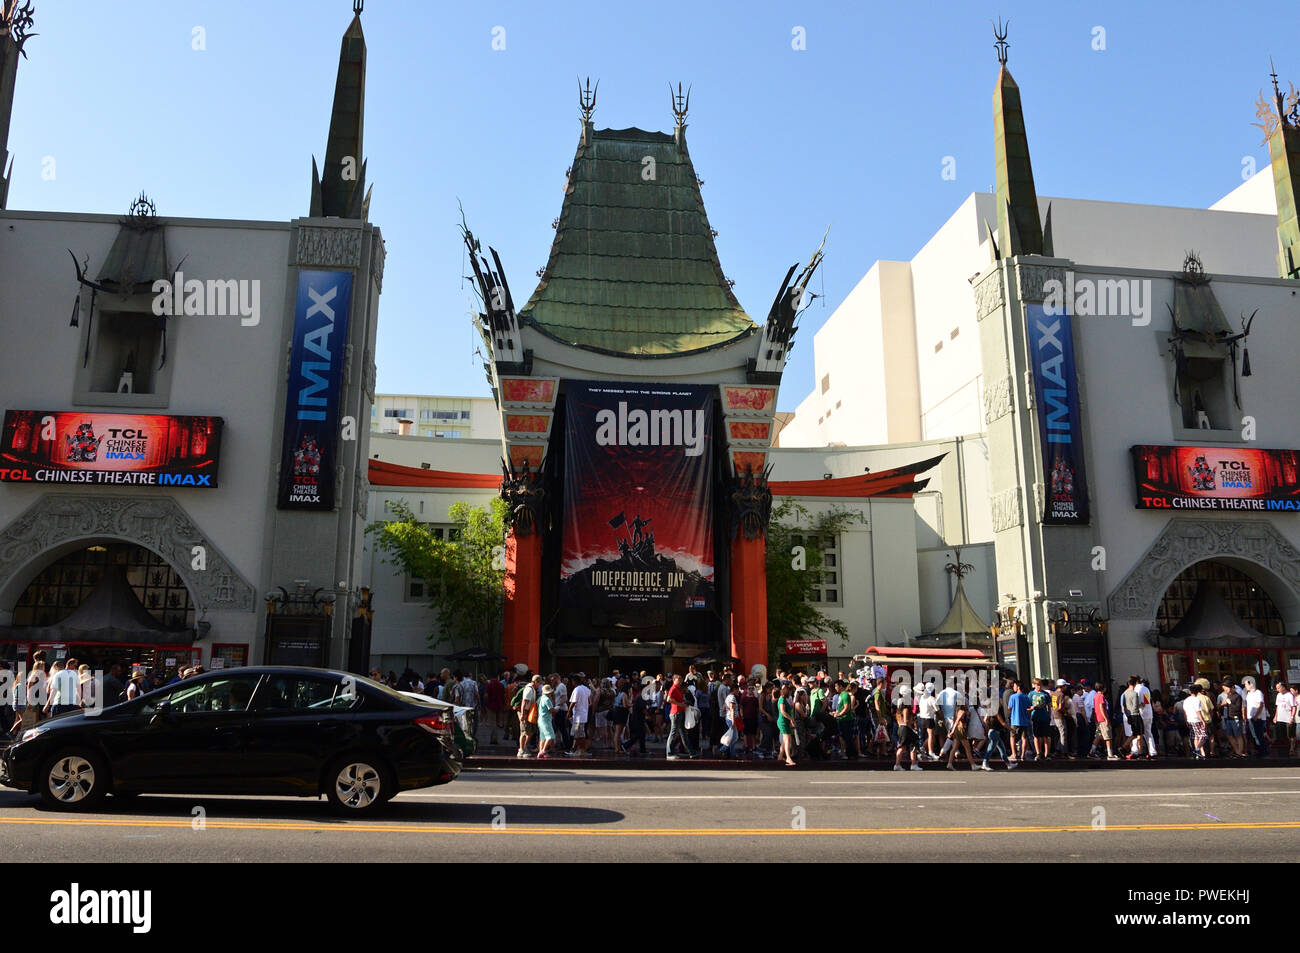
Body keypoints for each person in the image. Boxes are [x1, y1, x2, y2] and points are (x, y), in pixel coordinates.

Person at [664, 674, 696, 760]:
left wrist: (683, 702)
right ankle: (669, 753)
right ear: (674, 680)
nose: (680, 681)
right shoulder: (673, 688)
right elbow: (668, 699)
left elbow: (676, 699)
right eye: (678, 679)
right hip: (676, 713)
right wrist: (680, 704)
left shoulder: (677, 689)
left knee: (683, 734)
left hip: (679, 712)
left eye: (681, 679)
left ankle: (691, 752)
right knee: (673, 733)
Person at [1091, 682, 1119, 760]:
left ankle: (1092, 752)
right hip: (1102, 719)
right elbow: (1101, 707)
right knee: (1108, 737)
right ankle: (1110, 754)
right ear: (1103, 688)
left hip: (1097, 718)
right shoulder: (1101, 696)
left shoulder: (1095, 696)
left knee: (1098, 736)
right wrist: (1106, 718)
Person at [1121, 677, 1146, 760]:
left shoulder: (1125, 693)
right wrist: (1141, 705)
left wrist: (1128, 715)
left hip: (1129, 715)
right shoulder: (1134, 693)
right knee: (1139, 734)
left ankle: (1124, 747)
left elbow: (1124, 706)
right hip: (1136, 715)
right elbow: (1135, 706)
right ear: (1135, 683)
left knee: (1134, 733)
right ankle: (1140, 752)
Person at [1243, 677, 1269, 758]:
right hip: (1250, 717)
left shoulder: (1258, 693)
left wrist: (1256, 716)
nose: (1245, 686)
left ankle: (1263, 751)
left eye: (1246, 684)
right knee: (1254, 735)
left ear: (1251, 684)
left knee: (1259, 735)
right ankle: (1259, 750)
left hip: (1257, 718)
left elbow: (1261, 705)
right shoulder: (1249, 694)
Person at [893, 701, 923, 772]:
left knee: (902, 747)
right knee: (914, 743)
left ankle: (898, 764)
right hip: (905, 728)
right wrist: (912, 722)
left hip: (901, 728)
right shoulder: (906, 710)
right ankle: (913, 764)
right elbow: (906, 721)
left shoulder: (898, 712)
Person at [1027, 679, 1053, 760]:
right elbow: (1028, 706)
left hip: (1044, 717)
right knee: (1036, 736)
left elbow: (1049, 706)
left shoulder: (1045, 694)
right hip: (1035, 717)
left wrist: (1049, 716)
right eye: (1037, 685)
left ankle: (1047, 754)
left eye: (1040, 685)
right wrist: (1031, 709)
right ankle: (1038, 753)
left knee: (1046, 736)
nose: (1039, 686)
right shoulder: (1031, 694)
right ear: (1034, 685)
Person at [516, 674, 541, 759]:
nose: (539, 685)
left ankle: (524, 747)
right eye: (539, 683)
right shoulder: (529, 689)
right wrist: (523, 714)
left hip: (529, 711)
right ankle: (521, 749)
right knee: (524, 731)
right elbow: (524, 701)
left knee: (530, 731)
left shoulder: (533, 689)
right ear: (535, 682)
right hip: (525, 711)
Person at [569, 673, 592, 758]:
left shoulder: (577, 689)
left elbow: (573, 702)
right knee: (579, 734)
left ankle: (583, 750)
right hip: (583, 714)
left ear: (574, 681)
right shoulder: (586, 689)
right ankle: (578, 749)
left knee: (579, 734)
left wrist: (568, 712)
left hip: (578, 715)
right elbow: (590, 699)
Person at [1183, 684, 1208, 760]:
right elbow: (1198, 711)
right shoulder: (1197, 700)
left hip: (1190, 719)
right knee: (1204, 736)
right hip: (1196, 719)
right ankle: (1197, 750)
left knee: (1195, 736)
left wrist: (1186, 719)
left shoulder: (1186, 700)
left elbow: (1184, 711)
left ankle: (1198, 753)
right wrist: (1202, 720)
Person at [1007, 680, 1030, 763]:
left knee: (1012, 737)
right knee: (1024, 738)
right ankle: (1023, 755)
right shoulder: (1026, 696)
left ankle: (1014, 754)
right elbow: (1028, 707)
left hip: (1015, 720)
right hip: (1024, 720)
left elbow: (1009, 707)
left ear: (1018, 687)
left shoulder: (1013, 697)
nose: (1014, 687)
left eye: (1015, 686)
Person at [918, 683, 940, 761]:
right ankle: (931, 752)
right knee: (931, 735)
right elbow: (937, 710)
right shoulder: (931, 698)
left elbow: (920, 707)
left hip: (922, 718)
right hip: (929, 718)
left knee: (931, 735)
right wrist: (942, 718)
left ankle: (922, 748)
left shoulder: (922, 698)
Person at [776, 683, 797, 766]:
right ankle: (788, 758)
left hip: (785, 721)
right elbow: (783, 711)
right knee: (787, 739)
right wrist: (791, 719)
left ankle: (780, 756)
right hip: (783, 721)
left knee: (785, 740)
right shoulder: (782, 699)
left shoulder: (783, 699)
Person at [483, 671, 505, 745]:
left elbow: (486, 695)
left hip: (490, 705)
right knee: (497, 722)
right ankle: (495, 738)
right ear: (497, 677)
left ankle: (494, 739)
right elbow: (503, 696)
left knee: (492, 723)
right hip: (499, 705)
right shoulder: (501, 685)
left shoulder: (489, 685)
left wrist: (485, 703)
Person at [537, 683, 556, 759]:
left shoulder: (540, 698)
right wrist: (556, 709)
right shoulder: (547, 699)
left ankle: (540, 751)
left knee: (542, 737)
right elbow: (551, 709)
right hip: (546, 720)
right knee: (550, 736)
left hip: (540, 719)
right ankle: (543, 751)